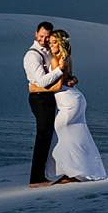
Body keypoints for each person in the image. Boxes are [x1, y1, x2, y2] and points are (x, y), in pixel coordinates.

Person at [30, 29, 107, 183]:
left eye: (54, 42)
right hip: (74, 98)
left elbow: (57, 86)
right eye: (50, 42)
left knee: (62, 133)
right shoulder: (67, 58)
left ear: (61, 43)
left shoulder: (56, 59)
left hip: (68, 101)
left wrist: (35, 88)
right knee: (74, 134)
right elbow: (68, 79)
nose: (51, 45)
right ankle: (78, 171)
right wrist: (72, 79)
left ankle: (72, 172)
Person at [23, 21, 76, 188]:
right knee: (43, 136)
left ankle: (46, 174)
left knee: (49, 137)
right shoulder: (32, 55)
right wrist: (60, 70)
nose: (44, 39)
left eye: (47, 37)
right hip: (40, 98)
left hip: (48, 97)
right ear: (35, 34)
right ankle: (36, 178)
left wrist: (69, 77)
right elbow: (42, 81)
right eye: (41, 36)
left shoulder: (47, 51)